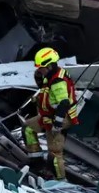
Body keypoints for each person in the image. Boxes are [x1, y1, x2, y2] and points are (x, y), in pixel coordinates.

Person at [21, 47, 79, 180]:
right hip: (48, 116)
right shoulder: (51, 75)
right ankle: (36, 161)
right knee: (28, 128)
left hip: (59, 118)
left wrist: (57, 124)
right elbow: (44, 88)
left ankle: (61, 181)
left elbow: (64, 103)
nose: (39, 69)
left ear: (50, 65)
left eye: (41, 67)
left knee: (54, 154)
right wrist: (38, 77)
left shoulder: (58, 82)